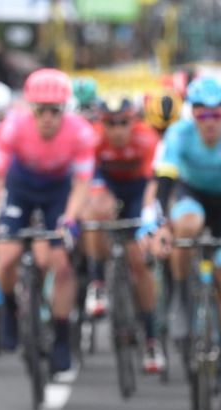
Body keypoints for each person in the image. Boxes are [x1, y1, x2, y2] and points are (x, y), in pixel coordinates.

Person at [0, 68, 96, 374]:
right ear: (31, 108)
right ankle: (9, 307)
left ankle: (61, 336)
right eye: (40, 110)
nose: (47, 118)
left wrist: (70, 218)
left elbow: (82, 183)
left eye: (54, 111)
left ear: (64, 109)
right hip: (21, 190)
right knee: (6, 257)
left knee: (59, 263)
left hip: (57, 193)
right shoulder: (13, 127)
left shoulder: (80, 131)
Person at [155, 76, 221, 407]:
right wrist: (162, 226)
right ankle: (181, 294)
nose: (210, 122)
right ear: (193, 114)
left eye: (217, 114)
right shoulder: (179, 133)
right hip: (191, 195)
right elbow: (164, 184)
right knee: (186, 225)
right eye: (202, 114)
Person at [83, 93, 166, 374]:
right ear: (101, 123)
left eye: (123, 123)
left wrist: (147, 218)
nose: (117, 130)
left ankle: (152, 339)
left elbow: (153, 184)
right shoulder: (93, 138)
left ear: (133, 122)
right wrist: (96, 199)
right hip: (107, 186)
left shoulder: (147, 139)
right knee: (95, 212)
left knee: (139, 262)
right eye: (110, 123)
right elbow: (85, 177)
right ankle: (97, 281)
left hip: (138, 192)